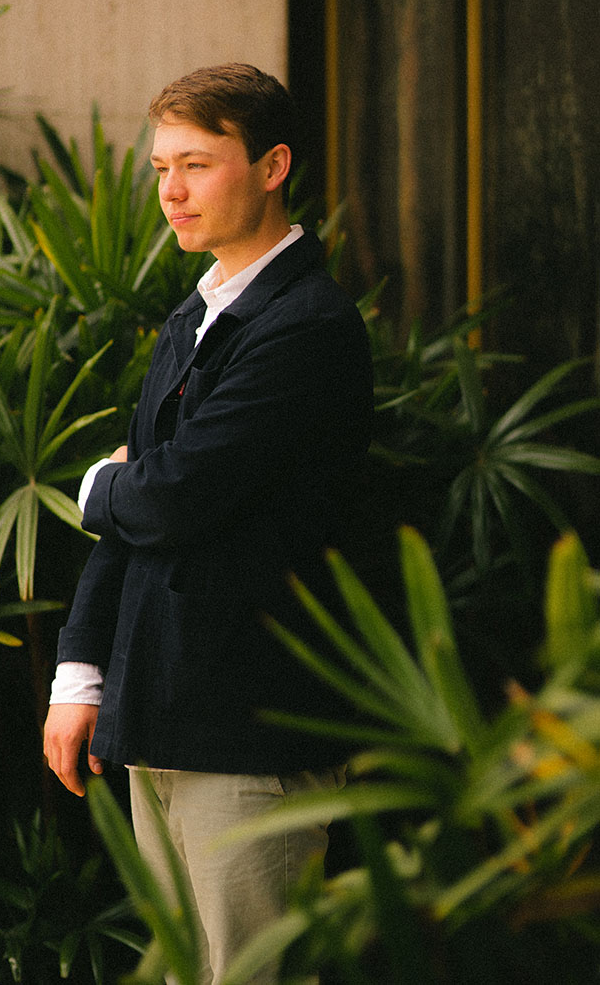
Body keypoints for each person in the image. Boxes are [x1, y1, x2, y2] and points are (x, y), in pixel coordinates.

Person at [43, 63, 373, 984]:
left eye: (196, 163)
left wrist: (100, 485)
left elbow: (173, 494)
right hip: (163, 712)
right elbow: (142, 521)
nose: (171, 192)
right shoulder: (194, 317)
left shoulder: (307, 323)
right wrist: (79, 674)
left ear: (272, 166)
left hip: (252, 727)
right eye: (159, 169)